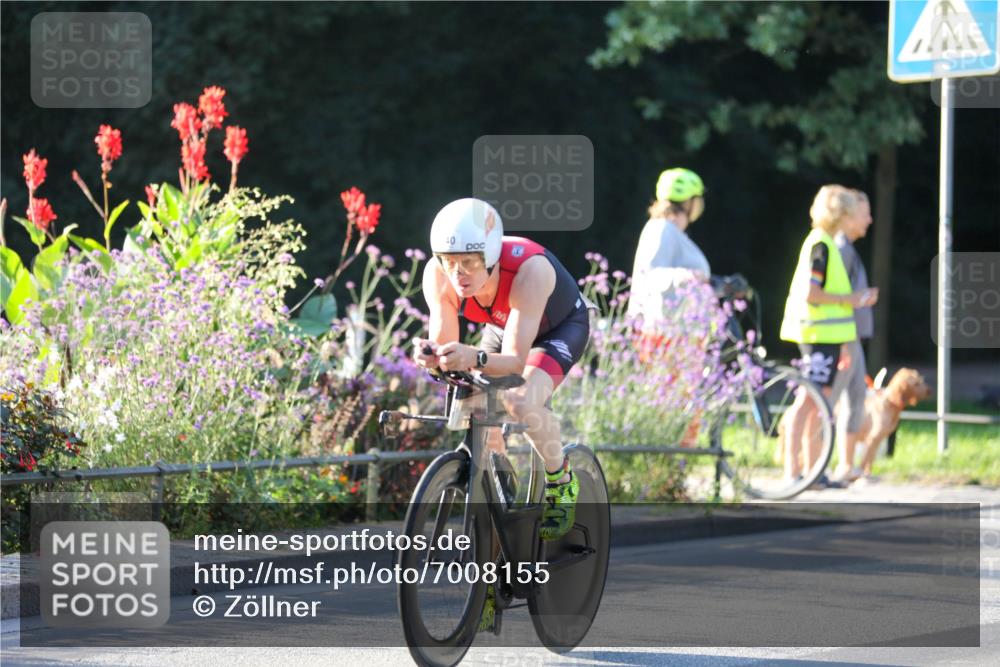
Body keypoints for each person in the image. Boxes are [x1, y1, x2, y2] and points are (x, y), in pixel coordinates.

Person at [411, 198, 591, 630]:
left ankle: (560, 476)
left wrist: (471, 356)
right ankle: (499, 509)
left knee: (520, 399)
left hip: (556, 327)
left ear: (491, 255)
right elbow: (444, 339)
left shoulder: (530, 270)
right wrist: (433, 356)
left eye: (470, 262)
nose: (460, 273)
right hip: (503, 324)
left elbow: (512, 361)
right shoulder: (438, 275)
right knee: (474, 408)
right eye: (451, 262)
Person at [778, 185, 870, 487]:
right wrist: (853, 300)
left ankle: (812, 473)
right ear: (841, 214)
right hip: (816, 335)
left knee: (819, 405)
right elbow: (812, 293)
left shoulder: (827, 244)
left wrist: (844, 342)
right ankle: (793, 472)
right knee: (809, 402)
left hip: (828, 337)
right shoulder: (821, 246)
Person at [627, 167, 709, 445]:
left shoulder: (673, 233)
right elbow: (652, 273)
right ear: (689, 203)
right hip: (667, 333)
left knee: (680, 402)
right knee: (670, 401)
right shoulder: (662, 229)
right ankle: (666, 462)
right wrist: (691, 277)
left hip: (679, 331)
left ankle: (674, 467)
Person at [830, 190, 878, 483]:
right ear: (847, 217)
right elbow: (835, 296)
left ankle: (845, 465)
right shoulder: (840, 249)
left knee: (854, 399)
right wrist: (860, 299)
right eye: (864, 213)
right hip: (842, 336)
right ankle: (814, 466)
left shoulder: (846, 248)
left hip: (850, 335)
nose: (870, 220)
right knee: (831, 400)